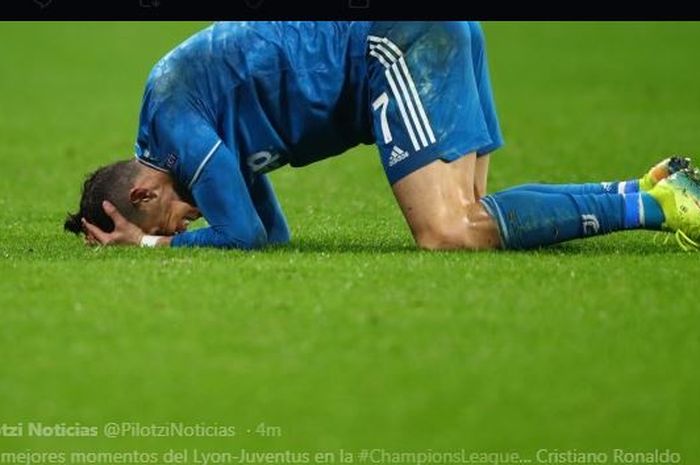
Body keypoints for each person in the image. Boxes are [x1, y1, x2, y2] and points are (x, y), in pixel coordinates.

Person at [64, 21, 700, 251]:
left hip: (393, 42)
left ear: (144, 194)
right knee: (475, 223)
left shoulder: (174, 117)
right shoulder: (189, 124)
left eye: (171, 221)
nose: (190, 220)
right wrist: (160, 237)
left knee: (449, 232)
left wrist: (148, 250)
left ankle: (657, 209)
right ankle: (650, 189)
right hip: (409, 34)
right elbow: (273, 235)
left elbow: (243, 236)